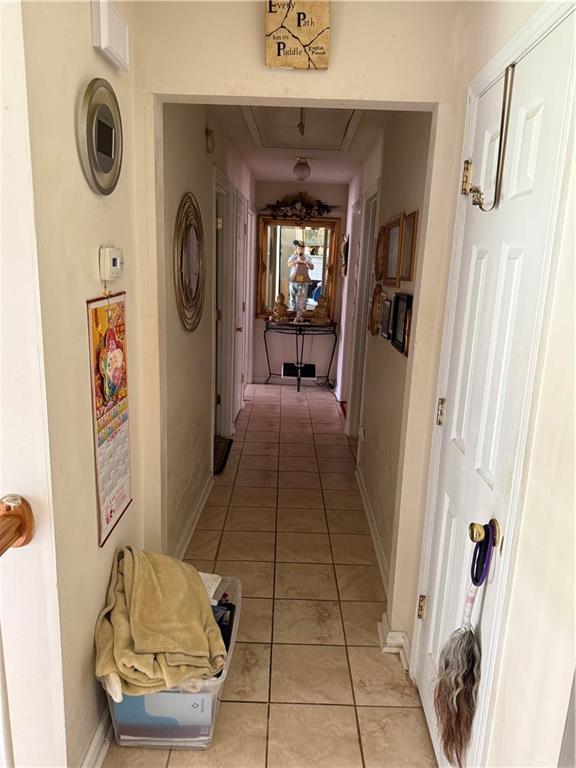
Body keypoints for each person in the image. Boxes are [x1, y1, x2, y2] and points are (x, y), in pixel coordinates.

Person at [287, 240, 314, 310]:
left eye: (302, 249)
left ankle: (303, 313)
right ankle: (292, 311)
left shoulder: (307, 258)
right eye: (299, 249)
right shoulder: (292, 257)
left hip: (304, 280)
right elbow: (289, 265)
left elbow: (312, 267)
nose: (301, 250)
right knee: (292, 297)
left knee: (304, 298)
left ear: (304, 250)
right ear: (296, 249)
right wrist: (296, 261)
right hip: (293, 280)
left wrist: (306, 263)